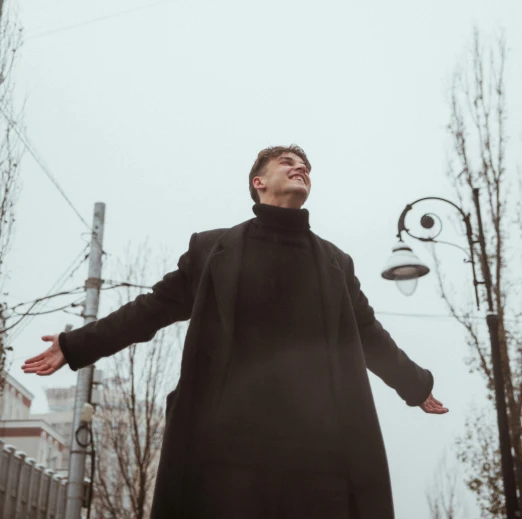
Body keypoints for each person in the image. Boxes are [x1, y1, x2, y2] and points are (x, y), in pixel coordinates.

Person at [23, 144, 448, 519]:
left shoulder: (335, 263)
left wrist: (415, 384)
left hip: (320, 458)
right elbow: (150, 309)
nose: (301, 168)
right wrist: (75, 344)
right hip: (228, 458)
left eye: (306, 166)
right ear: (258, 182)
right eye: (288, 162)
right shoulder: (213, 251)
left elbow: (369, 334)